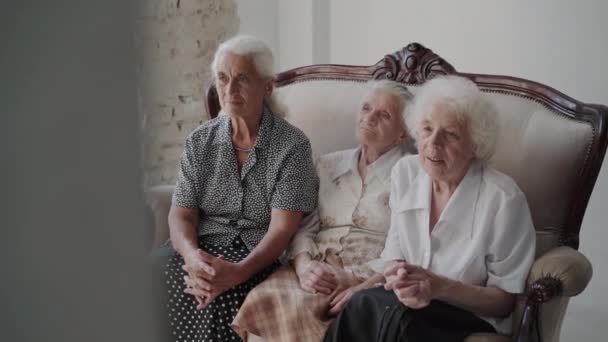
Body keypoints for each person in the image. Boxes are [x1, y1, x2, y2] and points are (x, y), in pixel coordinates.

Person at [323, 75, 536, 341]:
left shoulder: (504, 199)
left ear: (475, 145)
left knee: (397, 319)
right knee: (365, 305)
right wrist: (361, 290)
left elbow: (504, 302)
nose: (433, 144)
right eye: (426, 129)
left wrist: (439, 287)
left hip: (465, 315)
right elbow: (395, 258)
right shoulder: (406, 172)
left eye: (451, 134)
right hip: (404, 304)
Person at [161, 35, 318, 342]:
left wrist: (236, 273)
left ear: (267, 87)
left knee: (224, 301)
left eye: (242, 79)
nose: (229, 91)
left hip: (254, 257)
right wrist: (193, 259)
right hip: (200, 253)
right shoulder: (199, 141)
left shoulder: (293, 146)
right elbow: (180, 216)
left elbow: (281, 231)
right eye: (222, 79)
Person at [231, 80, 414, 341]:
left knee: (310, 313)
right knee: (265, 298)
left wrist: (364, 290)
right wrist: (304, 267)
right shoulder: (327, 165)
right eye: (366, 108)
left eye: (384, 115)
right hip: (316, 268)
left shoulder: (412, 174)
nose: (369, 118)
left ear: (403, 133)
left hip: (369, 277)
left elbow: (410, 247)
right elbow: (305, 226)